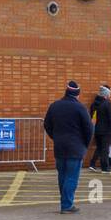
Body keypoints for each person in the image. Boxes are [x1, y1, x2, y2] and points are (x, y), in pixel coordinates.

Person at [44, 80, 93, 213]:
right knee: (71, 176)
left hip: (59, 146)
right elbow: (89, 128)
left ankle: (65, 202)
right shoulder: (80, 108)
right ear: (77, 94)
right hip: (75, 147)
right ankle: (67, 205)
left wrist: (55, 137)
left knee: (63, 175)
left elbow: (47, 125)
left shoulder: (55, 106)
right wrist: (85, 144)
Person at [87, 84, 111, 172]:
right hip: (106, 130)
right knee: (105, 149)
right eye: (109, 94)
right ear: (106, 94)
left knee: (100, 147)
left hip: (97, 129)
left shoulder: (95, 104)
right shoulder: (107, 104)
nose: (110, 95)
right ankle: (105, 167)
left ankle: (94, 163)